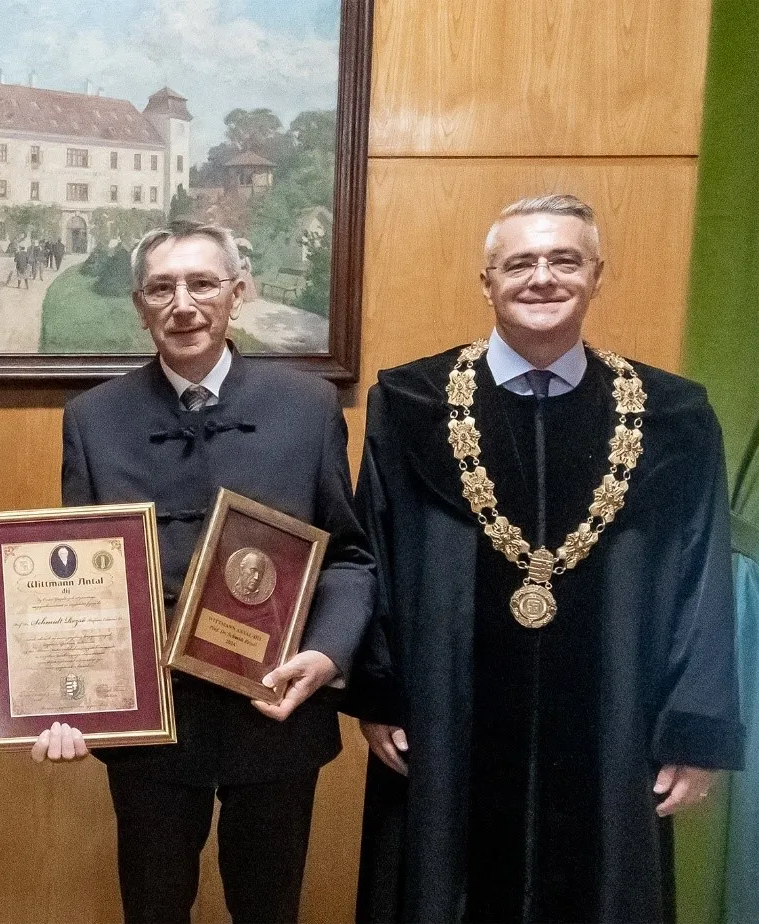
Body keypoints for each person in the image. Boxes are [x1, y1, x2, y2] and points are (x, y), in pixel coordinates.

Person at [346, 194, 745, 923]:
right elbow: (373, 555)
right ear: (487, 279)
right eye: (519, 262)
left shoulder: (674, 418)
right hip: (446, 721)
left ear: (597, 275)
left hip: (615, 728)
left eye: (565, 260)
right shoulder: (409, 405)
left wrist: (695, 727)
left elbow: (702, 581)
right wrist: (379, 692)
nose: (542, 278)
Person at [51, 219, 376, 923]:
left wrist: (325, 654)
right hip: (153, 724)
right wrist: (63, 697)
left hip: (276, 709)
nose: (184, 304)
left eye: (202, 284)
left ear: (238, 292)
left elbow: (351, 556)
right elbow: (75, 586)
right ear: (139, 305)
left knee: (269, 907)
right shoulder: (91, 419)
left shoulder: (309, 406)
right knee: (154, 906)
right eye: (162, 288)